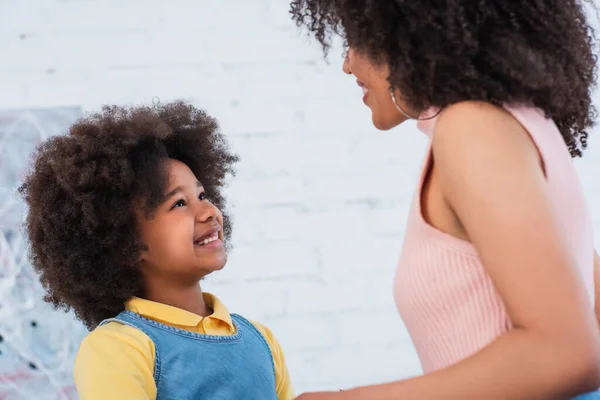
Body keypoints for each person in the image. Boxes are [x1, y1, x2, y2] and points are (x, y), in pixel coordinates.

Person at [289, 0, 600, 398]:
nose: (348, 65)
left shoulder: (473, 127)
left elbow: (568, 352)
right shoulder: (520, 121)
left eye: (356, 37)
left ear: (408, 29)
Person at [19, 101, 294, 400]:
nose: (208, 211)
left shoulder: (261, 340)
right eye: (178, 203)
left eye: (202, 195)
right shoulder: (120, 347)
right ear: (126, 242)